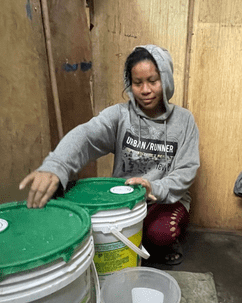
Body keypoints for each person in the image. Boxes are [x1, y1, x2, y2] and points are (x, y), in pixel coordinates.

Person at [19, 44, 200, 265]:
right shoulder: (119, 115)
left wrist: (155, 188)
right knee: (89, 224)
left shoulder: (184, 120)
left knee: (160, 233)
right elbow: (86, 135)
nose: (145, 90)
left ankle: (164, 245)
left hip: (164, 198)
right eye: (137, 83)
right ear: (129, 84)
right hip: (124, 196)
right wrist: (56, 166)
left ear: (167, 79)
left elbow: (186, 170)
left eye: (153, 81)